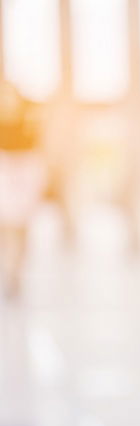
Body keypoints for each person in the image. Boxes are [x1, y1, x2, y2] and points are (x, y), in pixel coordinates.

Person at [0, 81, 47, 301]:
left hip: (25, 172)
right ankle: (10, 269)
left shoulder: (30, 120)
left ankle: (17, 269)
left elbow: (38, 151)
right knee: (7, 226)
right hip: (6, 172)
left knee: (21, 226)